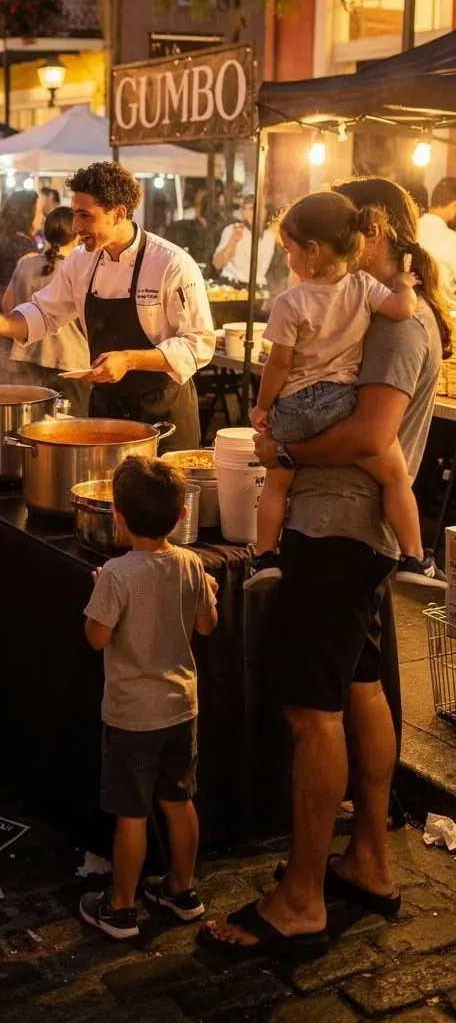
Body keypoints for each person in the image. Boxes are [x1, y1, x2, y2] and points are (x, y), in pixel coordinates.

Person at [199, 177, 449, 963]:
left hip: (337, 530)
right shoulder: (377, 307)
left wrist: (282, 450)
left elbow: (371, 436)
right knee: (360, 685)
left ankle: (302, 896)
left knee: (312, 712)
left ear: (368, 229)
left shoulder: (394, 323)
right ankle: (366, 858)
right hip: (350, 528)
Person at [0, 161, 215, 450]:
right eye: (74, 214)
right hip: (106, 408)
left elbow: (199, 344)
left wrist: (129, 359)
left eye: (86, 216)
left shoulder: (171, 264)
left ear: (118, 213)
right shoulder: (80, 261)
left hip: (162, 409)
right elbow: (44, 314)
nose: (76, 227)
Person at [247, 191, 422, 590]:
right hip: (342, 402)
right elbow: (402, 310)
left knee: (276, 481)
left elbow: (280, 364)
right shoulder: (363, 287)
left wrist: (262, 406)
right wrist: (405, 284)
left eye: (287, 250)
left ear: (311, 251)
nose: (287, 258)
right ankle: (415, 557)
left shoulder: (290, 301)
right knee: (395, 477)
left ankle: (264, 558)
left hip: (293, 406)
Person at [79, 456, 218, 940]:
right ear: (182, 515)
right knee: (179, 801)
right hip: (182, 707)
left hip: (132, 716)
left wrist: (100, 596)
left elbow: (96, 636)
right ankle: (182, 890)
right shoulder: (192, 563)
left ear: (116, 514)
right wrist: (207, 595)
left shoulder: (116, 574)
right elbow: (207, 624)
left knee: (132, 813)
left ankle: (120, 907)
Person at [3, 205, 90, 412]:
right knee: (68, 430)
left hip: (27, 357)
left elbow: (8, 305)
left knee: (29, 426)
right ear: (77, 234)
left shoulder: (26, 263)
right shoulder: (79, 270)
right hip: (70, 362)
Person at [0, 190, 44, 380]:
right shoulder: (24, 246)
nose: (42, 217)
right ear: (27, 213)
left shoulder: (6, 239)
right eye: (39, 211)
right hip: (12, 322)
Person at [212, 195, 275, 290]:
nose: (258, 212)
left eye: (259, 208)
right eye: (249, 209)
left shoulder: (270, 237)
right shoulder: (232, 230)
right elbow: (217, 264)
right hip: (232, 286)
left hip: (257, 289)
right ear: (243, 212)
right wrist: (233, 241)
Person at [417, 177, 456, 298]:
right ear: (454, 205)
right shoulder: (450, 238)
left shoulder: (411, 228)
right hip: (442, 310)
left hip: (410, 307)